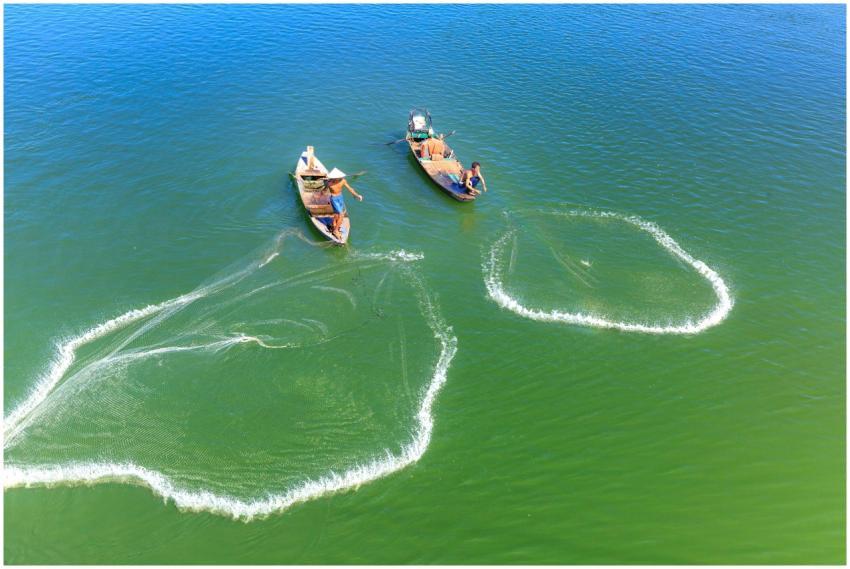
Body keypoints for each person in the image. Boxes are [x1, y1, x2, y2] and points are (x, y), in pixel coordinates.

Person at [326, 168, 363, 239]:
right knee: (341, 215)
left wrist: (357, 195)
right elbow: (324, 189)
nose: (341, 178)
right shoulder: (329, 183)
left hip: (340, 197)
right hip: (334, 199)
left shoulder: (343, 181)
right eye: (339, 177)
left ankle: (334, 224)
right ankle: (335, 231)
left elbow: (350, 189)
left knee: (337, 213)